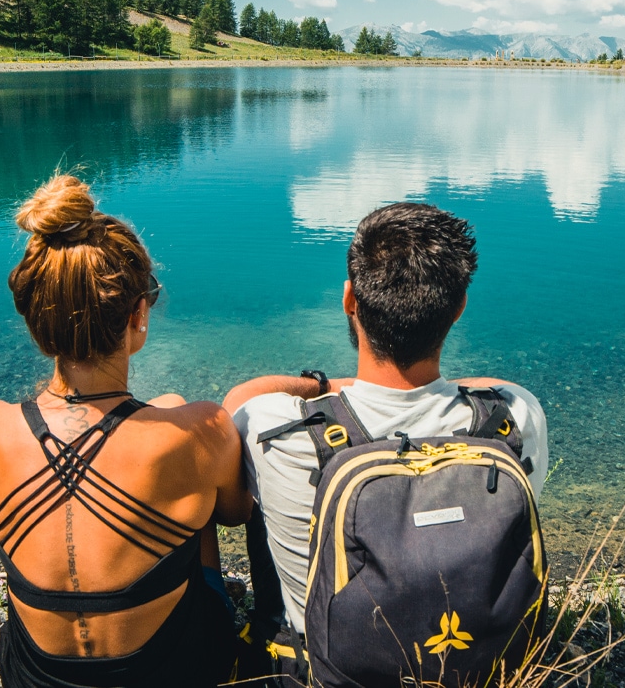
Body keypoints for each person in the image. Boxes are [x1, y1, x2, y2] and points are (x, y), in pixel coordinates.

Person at [223, 202, 550, 670]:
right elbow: (485, 383)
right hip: (481, 665)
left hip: (323, 672)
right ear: (458, 309)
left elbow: (240, 396)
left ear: (349, 300)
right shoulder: (514, 417)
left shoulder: (274, 428)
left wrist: (325, 387)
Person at [0, 175, 252, 688]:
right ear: (138, 315)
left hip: (33, 677)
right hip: (177, 672)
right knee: (192, 488)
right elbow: (234, 513)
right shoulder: (200, 432)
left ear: (35, 323)